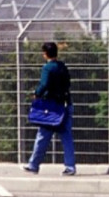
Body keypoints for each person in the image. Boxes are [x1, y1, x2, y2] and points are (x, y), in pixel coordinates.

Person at [23, 42, 76, 176]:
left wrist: (37, 93)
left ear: (45, 54)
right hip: (65, 105)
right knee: (66, 137)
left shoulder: (47, 68)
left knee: (43, 136)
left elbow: (44, 84)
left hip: (51, 108)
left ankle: (34, 165)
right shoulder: (62, 66)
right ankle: (70, 167)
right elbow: (68, 83)